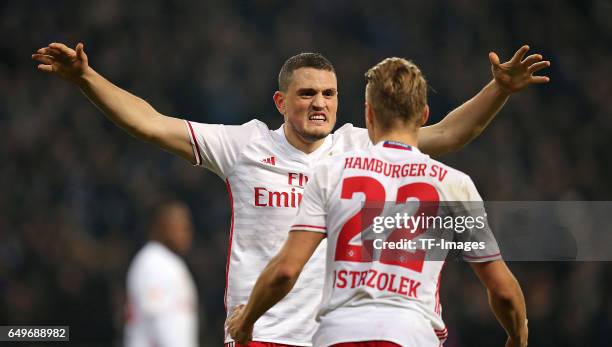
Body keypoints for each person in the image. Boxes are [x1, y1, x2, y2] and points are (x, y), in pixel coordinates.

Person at [32, 43, 546, 346]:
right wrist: (87, 78)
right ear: (281, 101)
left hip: (333, 336)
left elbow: (449, 134)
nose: (319, 104)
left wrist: (497, 89)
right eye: (306, 94)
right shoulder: (244, 145)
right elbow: (151, 124)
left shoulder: (356, 147)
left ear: (345, 101)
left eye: (328, 94)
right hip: (264, 335)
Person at [227, 57, 527, 347]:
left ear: (368, 114)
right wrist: (517, 336)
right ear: (423, 115)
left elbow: (285, 270)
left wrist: (247, 319)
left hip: (338, 334)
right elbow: (502, 290)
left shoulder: (333, 173)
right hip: (412, 334)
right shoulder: (452, 184)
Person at [125, 201, 199, 347]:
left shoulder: (165, 261)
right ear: (159, 227)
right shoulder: (155, 263)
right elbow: (161, 324)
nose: (187, 233)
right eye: (180, 227)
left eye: (187, 227)